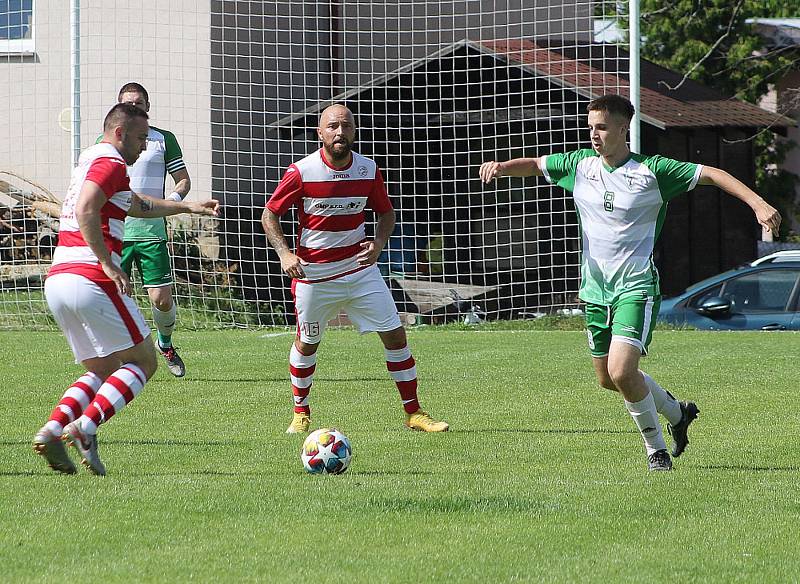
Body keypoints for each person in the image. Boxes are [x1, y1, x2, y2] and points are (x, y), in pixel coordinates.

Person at [479, 94, 781, 471]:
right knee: (609, 379)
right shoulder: (579, 165)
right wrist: (503, 167)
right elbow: (537, 164)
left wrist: (758, 204)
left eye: (602, 127)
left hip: (635, 287)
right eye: (590, 128)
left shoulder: (652, 172)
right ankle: (677, 412)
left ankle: (655, 451)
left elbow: (712, 174)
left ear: (624, 129)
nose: (594, 135)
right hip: (594, 289)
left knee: (623, 371)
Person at [33, 103, 219, 475]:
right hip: (91, 277)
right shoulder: (111, 162)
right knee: (144, 361)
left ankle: (54, 428)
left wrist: (187, 208)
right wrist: (106, 261)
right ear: (119, 133)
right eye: (138, 139)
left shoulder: (89, 159)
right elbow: (87, 209)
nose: (142, 147)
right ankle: (85, 428)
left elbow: (136, 204)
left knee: (103, 368)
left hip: (59, 279)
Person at [262, 104, 449, 434]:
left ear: (354, 131)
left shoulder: (367, 169)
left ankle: (414, 413)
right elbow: (270, 214)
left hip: (360, 272)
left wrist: (377, 245)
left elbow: (387, 214)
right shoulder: (302, 171)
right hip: (314, 276)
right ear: (320, 133)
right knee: (307, 343)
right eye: (332, 126)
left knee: (395, 334)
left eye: (346, 126)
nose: (339, 132)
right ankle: (300, 412)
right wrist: (285, 254)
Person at [114, 82, 192, 377]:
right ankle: (120, 354)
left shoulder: (162, 140)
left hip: (151, 231)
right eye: (127, 103)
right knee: (115, 297)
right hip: (117, 231)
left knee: (161, 299)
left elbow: (183, 181)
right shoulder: (107, 141)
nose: (134, 107)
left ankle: (166, 343)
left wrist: (168, 204)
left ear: (147, 107)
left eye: (139, 103)